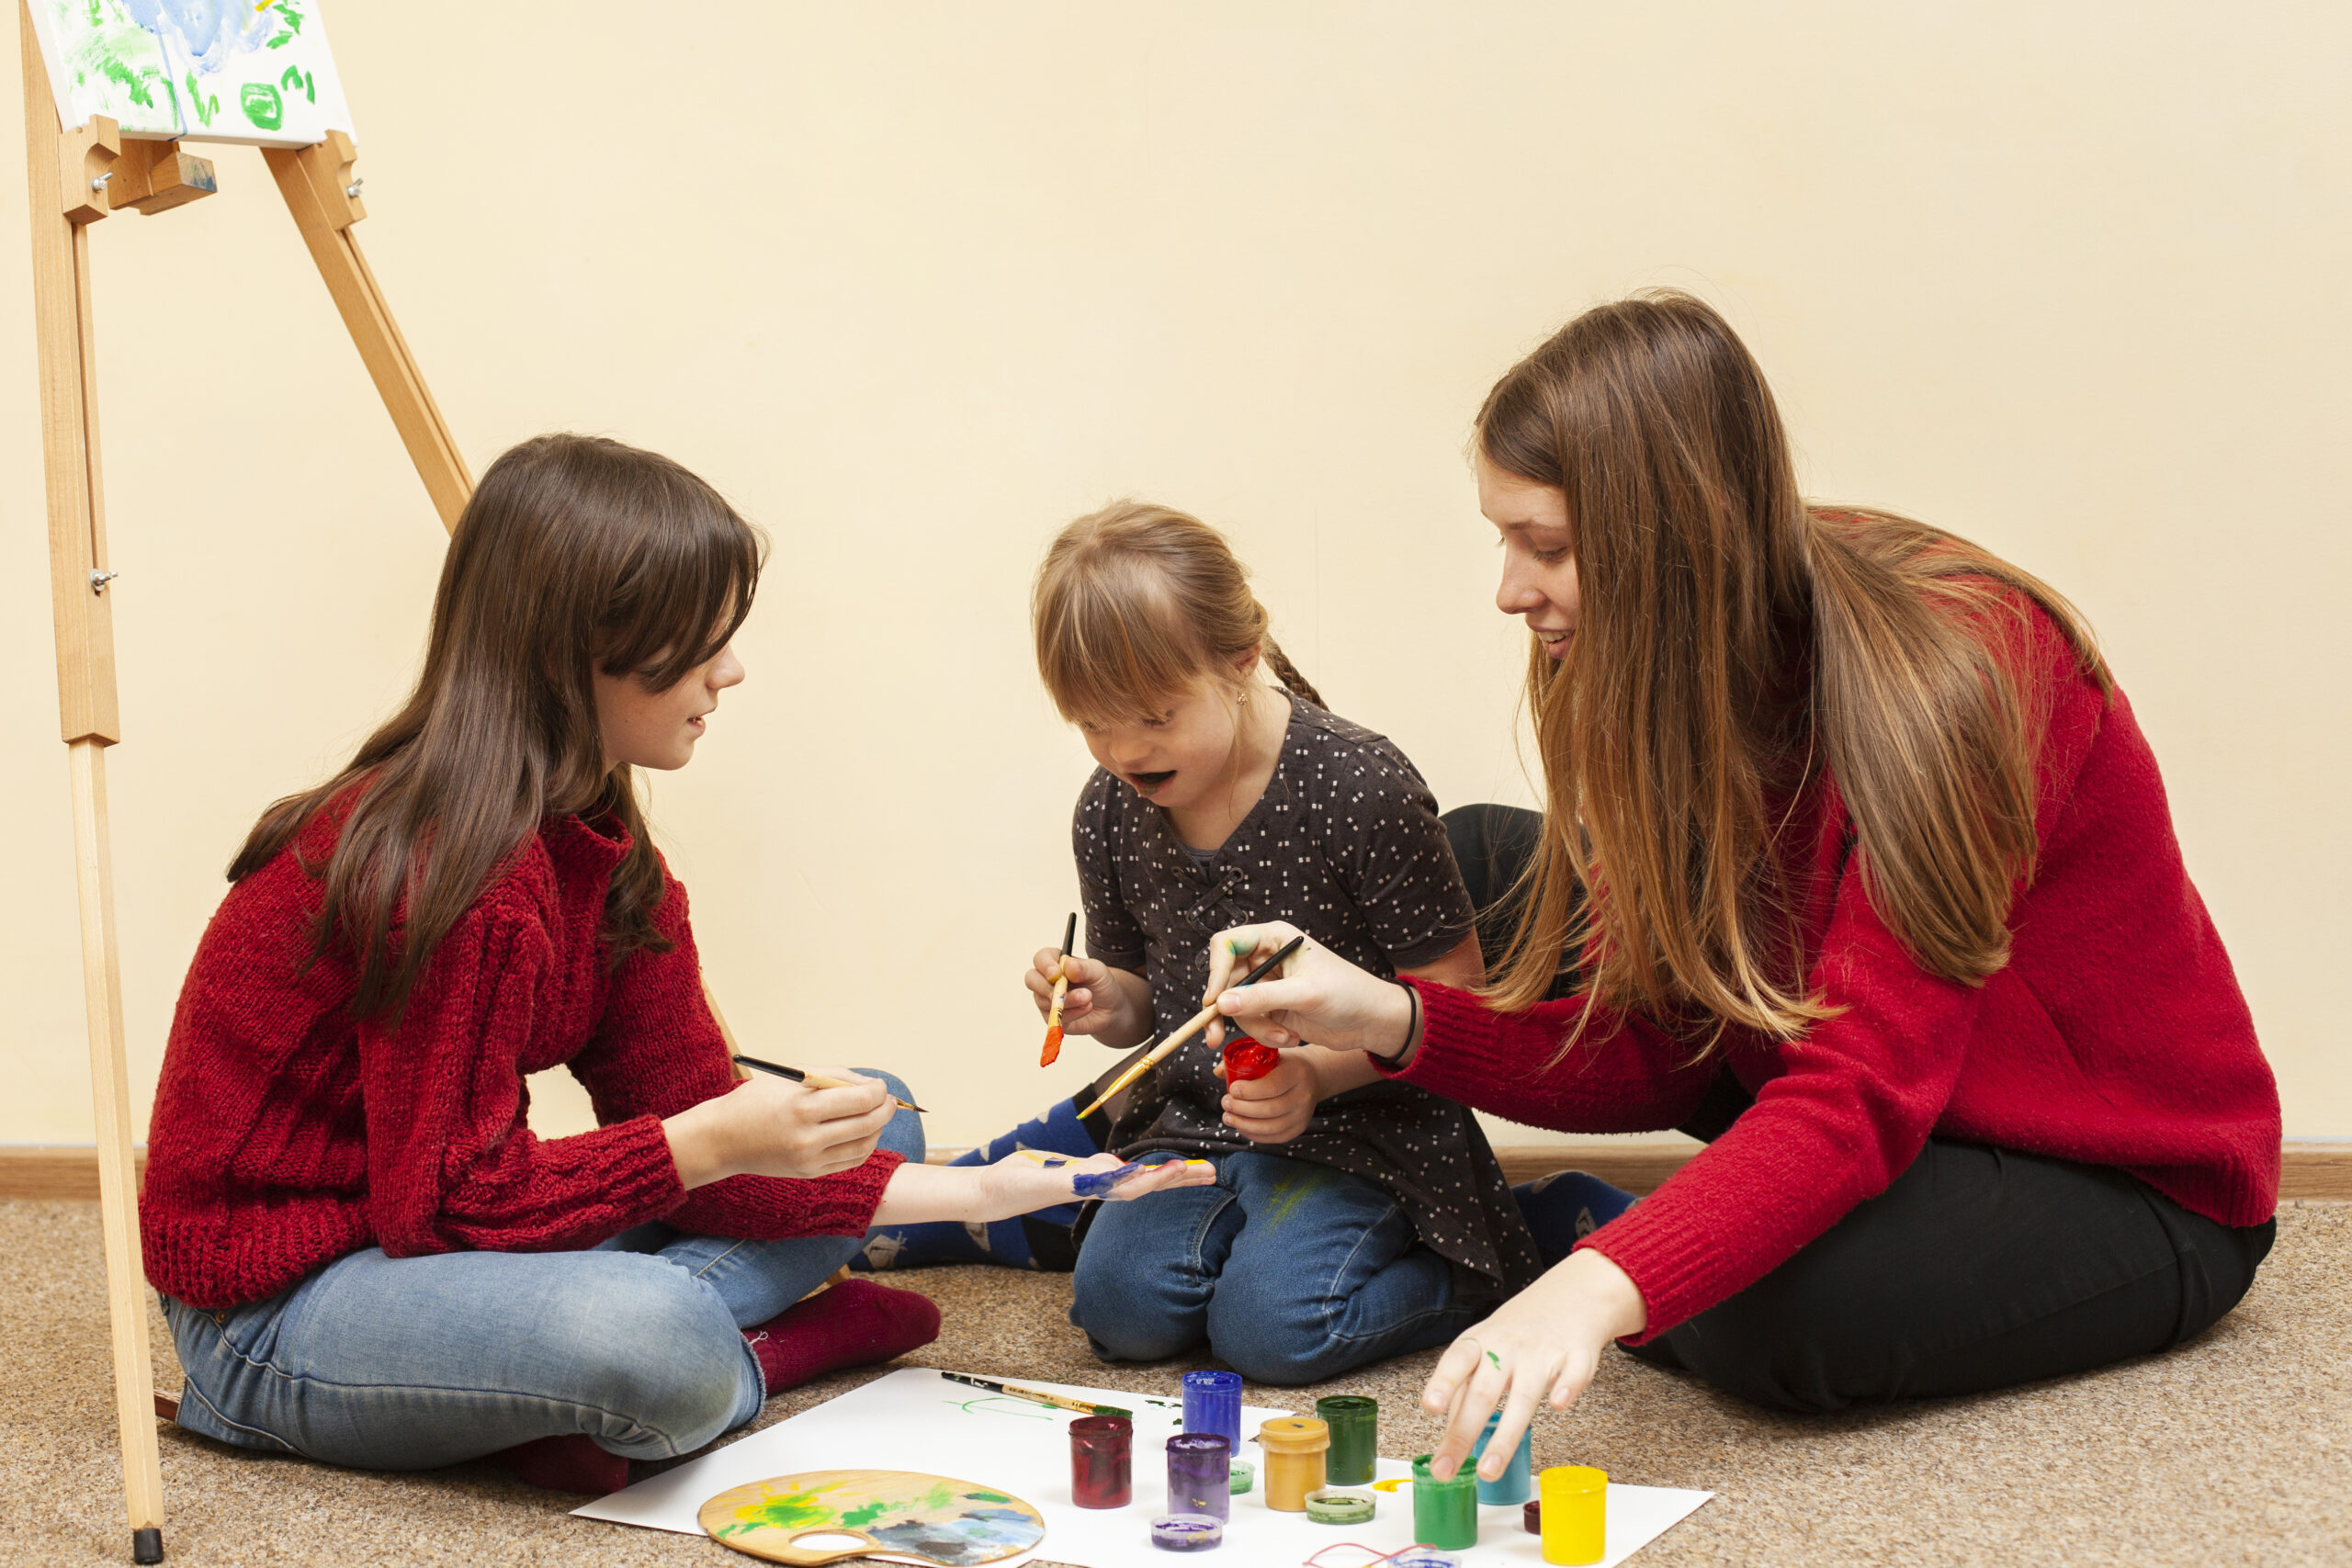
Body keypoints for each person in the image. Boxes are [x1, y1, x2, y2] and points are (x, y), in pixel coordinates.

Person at [1204, 292, 2280, 1479]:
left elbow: (1860, 1091)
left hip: (2108, 1167)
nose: (1511, 588)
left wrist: (1600, 1285)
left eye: (1547, 546)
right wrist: (1390, 1020)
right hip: (1838, 1054)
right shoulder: (1641, 644)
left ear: (1675, 533)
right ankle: (1512, 1226)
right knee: (1475, 864)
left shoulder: (1965, 674)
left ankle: (1602, 1247)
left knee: (1754, 1317)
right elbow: (1673, 1045)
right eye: (1503, 539)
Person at [139, 434, 1207, 1495]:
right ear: (582, 652)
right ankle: (718, 1354)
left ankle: (558, 1387)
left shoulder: (600, 843)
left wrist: (995, 1188)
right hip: (276, 1306)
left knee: (880, 1128)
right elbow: (452, 1204)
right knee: (652, 1334)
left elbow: (686, 1106)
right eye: (701, 645)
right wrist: (700, 1145)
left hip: (422, 1234)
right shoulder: (448, 872)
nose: (730, 670)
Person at [1006, 499, 1554, 1387]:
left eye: (1152, 716)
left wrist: (1316, 1076)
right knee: (1118, 1315)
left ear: (1241, 660)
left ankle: (1481, 1267)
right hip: (1195, 1124)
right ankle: (1245, 1247)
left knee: (1273, 1334)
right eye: (1092, 725)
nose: (1121, 752)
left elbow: (1455, 1004)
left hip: (1366, 1132)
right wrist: (1108, 999)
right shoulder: (1110, 808)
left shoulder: (1357, 783)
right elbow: (1148, 999)